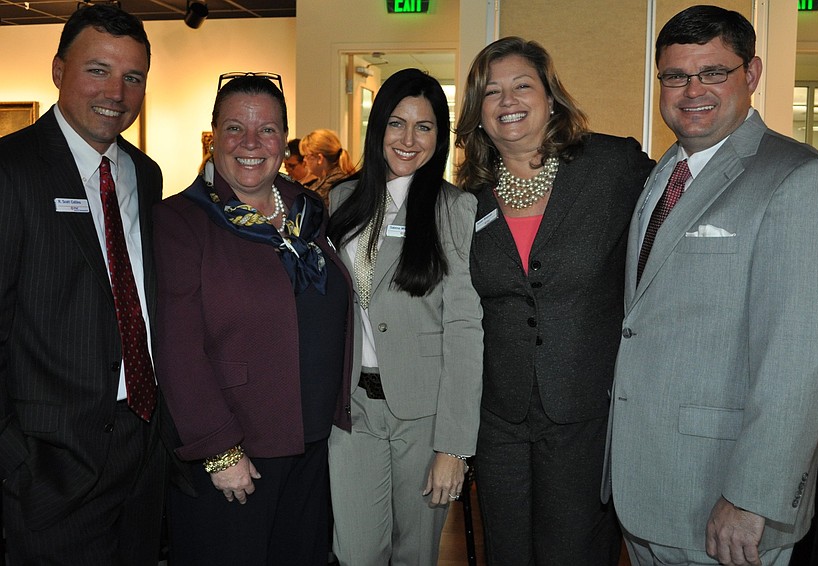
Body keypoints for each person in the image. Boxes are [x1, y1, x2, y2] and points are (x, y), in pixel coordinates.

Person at [603, 6, 818, 566]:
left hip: (727, 503)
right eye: (675, 76)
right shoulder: (665, 170)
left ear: (752, 74)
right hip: (650, 488)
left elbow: (802, 360)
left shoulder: (801, 180)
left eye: (713, 72)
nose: (692, 90)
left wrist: (750, 497)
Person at [455, 37, 654, 566]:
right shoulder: (464, 197)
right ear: (477, 113)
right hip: (499, 415)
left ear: (550, 97)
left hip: (585, 408)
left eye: (522, 85)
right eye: (491, 92)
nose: (508, 100)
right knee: (507, 549)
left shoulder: (612, 167)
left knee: (575, 548)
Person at [152, 73, 353, 565]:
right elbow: (177, 348)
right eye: (234, 127)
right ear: (214, 134)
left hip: (312, 440)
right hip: (237, 449)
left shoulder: (308, 210)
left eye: (267, 129)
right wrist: (220, 449)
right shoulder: (182, 220)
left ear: (285, 140)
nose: (250, 143)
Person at [0, 4, 174, 564]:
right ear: (57, 70)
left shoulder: (144, 175)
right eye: (98, 70)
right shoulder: (11, 171)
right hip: (49, 465)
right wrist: (16, 459)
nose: (116, 92)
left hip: (143, 452)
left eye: (133, 77)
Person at [327, 68, 483, 566]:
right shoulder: (340, 201)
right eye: (397, 123)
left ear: (440, 137)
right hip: (352, 411)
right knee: (354, 552)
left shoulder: (453, 208)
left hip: (423, 415)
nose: (409, 139)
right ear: (378, 129)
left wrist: (453, 448)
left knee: (414, 554)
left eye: (425, 126)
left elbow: (464, 330)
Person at [300, 128, 357, 207]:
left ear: (320, 158)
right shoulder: (331, 178)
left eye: (306, 156)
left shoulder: (334, 183)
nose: (304, 160)